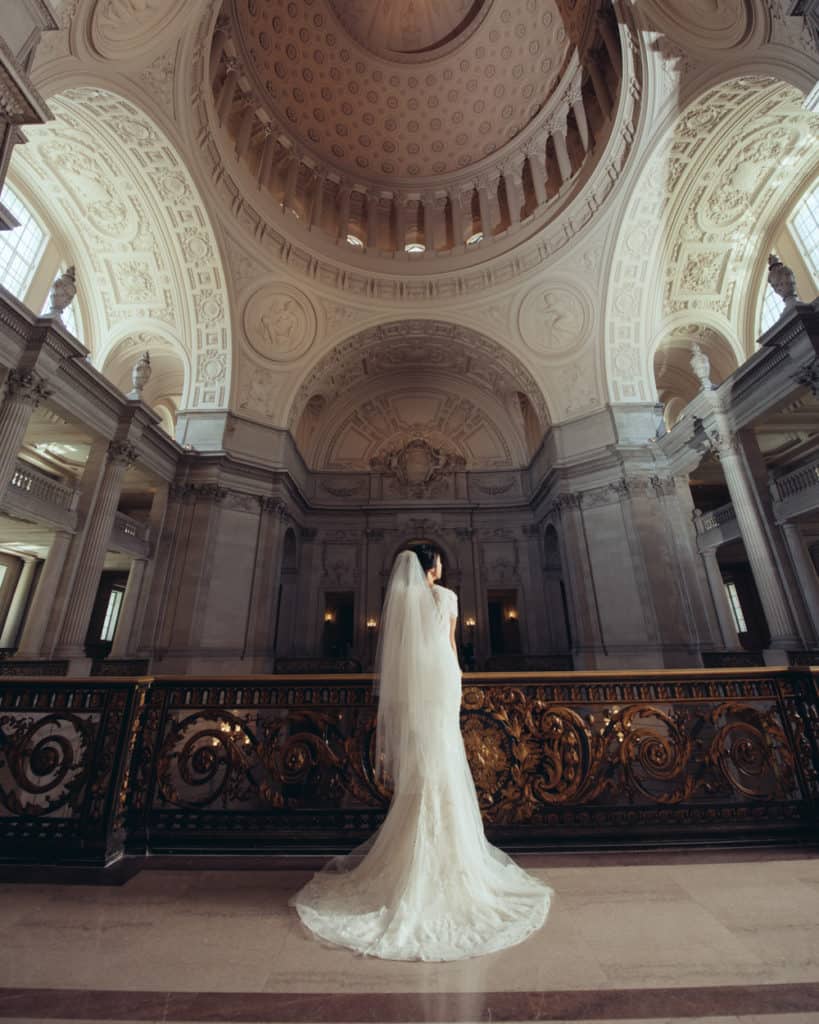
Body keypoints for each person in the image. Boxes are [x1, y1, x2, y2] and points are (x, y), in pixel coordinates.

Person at [288, 544, 552, 961]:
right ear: (435, 568)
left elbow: (400, 652)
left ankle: (415, 850)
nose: (443, 567)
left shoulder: (404, 598)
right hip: (443, 678)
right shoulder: (447, 597)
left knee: (425, 759)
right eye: (441, 563)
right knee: (444, 754)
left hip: (416, 685)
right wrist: (459, 679)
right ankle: (451, 853)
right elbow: (449, 643)